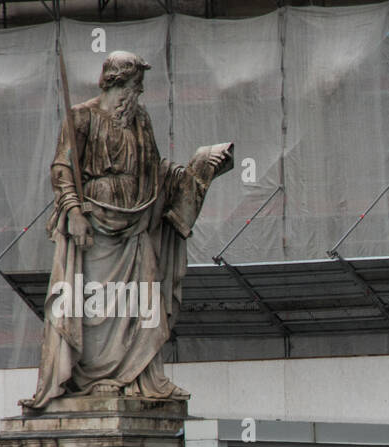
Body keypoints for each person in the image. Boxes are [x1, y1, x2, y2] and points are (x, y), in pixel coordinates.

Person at [23, 50, 232, 411]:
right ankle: (88, 379)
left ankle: (139, 376)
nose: (139, 93)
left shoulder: (140, 120)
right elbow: (62, 170)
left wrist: (200, 167)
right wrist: (73, 211)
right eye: (136, 86)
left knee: (145, 298)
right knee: (94, 304)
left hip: (138, 225)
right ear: (118, 83)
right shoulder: (81, 118)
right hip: (95, 226)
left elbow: (155, 169)